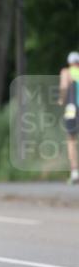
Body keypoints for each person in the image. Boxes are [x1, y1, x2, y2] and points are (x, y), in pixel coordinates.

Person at [59, 51, 79, 185]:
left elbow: (64, 87)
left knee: (71, 140)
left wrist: (61, 100)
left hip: (72, 109)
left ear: (69, 62)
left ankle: (75, 172)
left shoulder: (66, 72)